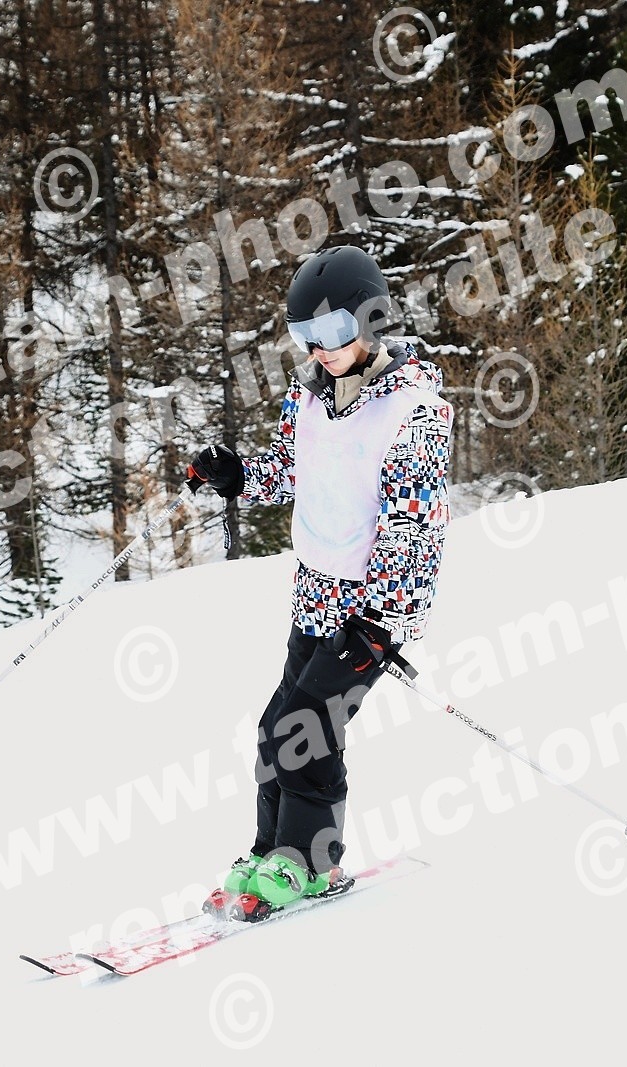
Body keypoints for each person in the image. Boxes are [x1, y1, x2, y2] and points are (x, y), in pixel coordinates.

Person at [187, 245, 453, 921]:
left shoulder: (413, 410)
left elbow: (415, 525)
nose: (319, 349)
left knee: (302, 728)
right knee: (276, 728)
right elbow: (288, 470)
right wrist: (237, 476)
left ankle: (310, 863)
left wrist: (380, 623)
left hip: (371, 610)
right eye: (305, 335)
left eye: (333, 332)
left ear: (371, 321)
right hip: (314, 595)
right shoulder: (307, 395)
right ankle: (271, 850)